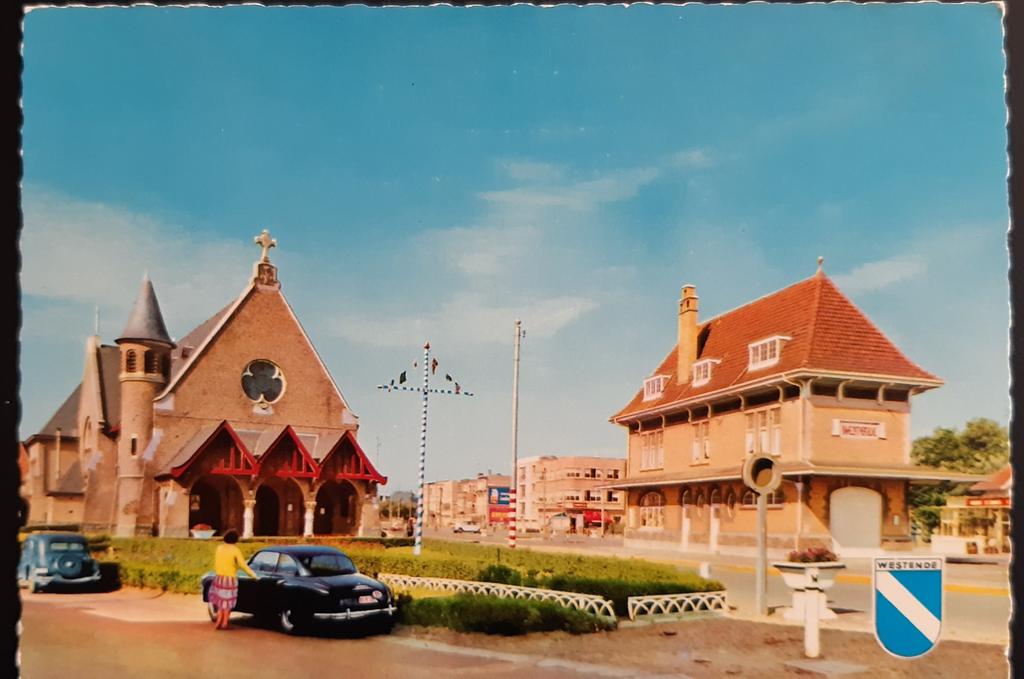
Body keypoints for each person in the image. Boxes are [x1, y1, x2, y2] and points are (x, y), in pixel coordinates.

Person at [209, 530, 257, 630]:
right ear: (235, 539)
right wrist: (253, 575)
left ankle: (218, 621)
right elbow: (243, 565)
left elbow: (217, 563)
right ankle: (225, 622)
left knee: (220, 601)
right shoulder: (235, 550)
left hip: (219, 578)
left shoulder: (219, 548)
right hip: (230, 579)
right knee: (228, 603)